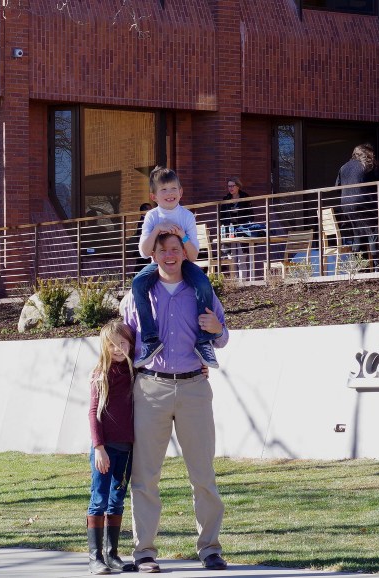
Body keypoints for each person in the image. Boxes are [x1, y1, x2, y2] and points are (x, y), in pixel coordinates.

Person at [120, 231, 230, 573]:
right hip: (150, 389)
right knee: (145, 477)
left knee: (203, 476)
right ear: (152, 255)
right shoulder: (136, 296)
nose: (169, 255)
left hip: (194, 388)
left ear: (185, 253)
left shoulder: (201, 290)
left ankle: (210, 549)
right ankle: (145, 553)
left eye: (175, 249)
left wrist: (216, 327)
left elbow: (222, 337)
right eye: (162, 250)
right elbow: (120, 345)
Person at [131, 166, 219, 369]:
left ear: (181, 192)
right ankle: (150, 338)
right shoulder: (152, 216)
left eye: (173, 189)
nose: (169, 194)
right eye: (163, 190)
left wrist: (182, 235)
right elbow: (144, 252)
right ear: (153, 195)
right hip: (157, 264)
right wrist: (156, 231)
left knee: (203, 283)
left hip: (184, 263)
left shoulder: (186, 216)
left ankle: (204, 341)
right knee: (138, 284)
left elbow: (194, 255)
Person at [85, 321, 138, 575]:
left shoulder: (134, 371)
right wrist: (99, 447)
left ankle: (112, 554)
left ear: (131, 344)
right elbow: (93, 413)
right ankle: (95, 558)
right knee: (99, 500)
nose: (118, 349)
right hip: (104, 451)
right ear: (104, 347)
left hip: (126, 451)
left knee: (116, 502)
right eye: (112, 345)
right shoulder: (101, 373)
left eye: (123, 344)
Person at [334, 144, 379, 271]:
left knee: (358, 234)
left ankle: (359, 268)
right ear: (368, 154)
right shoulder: (371, 165)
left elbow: (338, 187)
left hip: (347, 206)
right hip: (366, 204)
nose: (373, 157)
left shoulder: (344, 167)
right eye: (372, 154)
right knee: (376, 232)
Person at [219, 177, 254, 280]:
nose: (230, 188)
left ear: (238, 186)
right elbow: (222, 216)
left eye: (232, 186)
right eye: (229, 186)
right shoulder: (225, 199)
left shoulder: (245, 198)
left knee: (242, 259)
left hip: (243, 231)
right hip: (229, 231)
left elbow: (250, 215)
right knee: (232, 259)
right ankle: (234, 283)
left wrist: (247, 226)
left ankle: (242, 282)